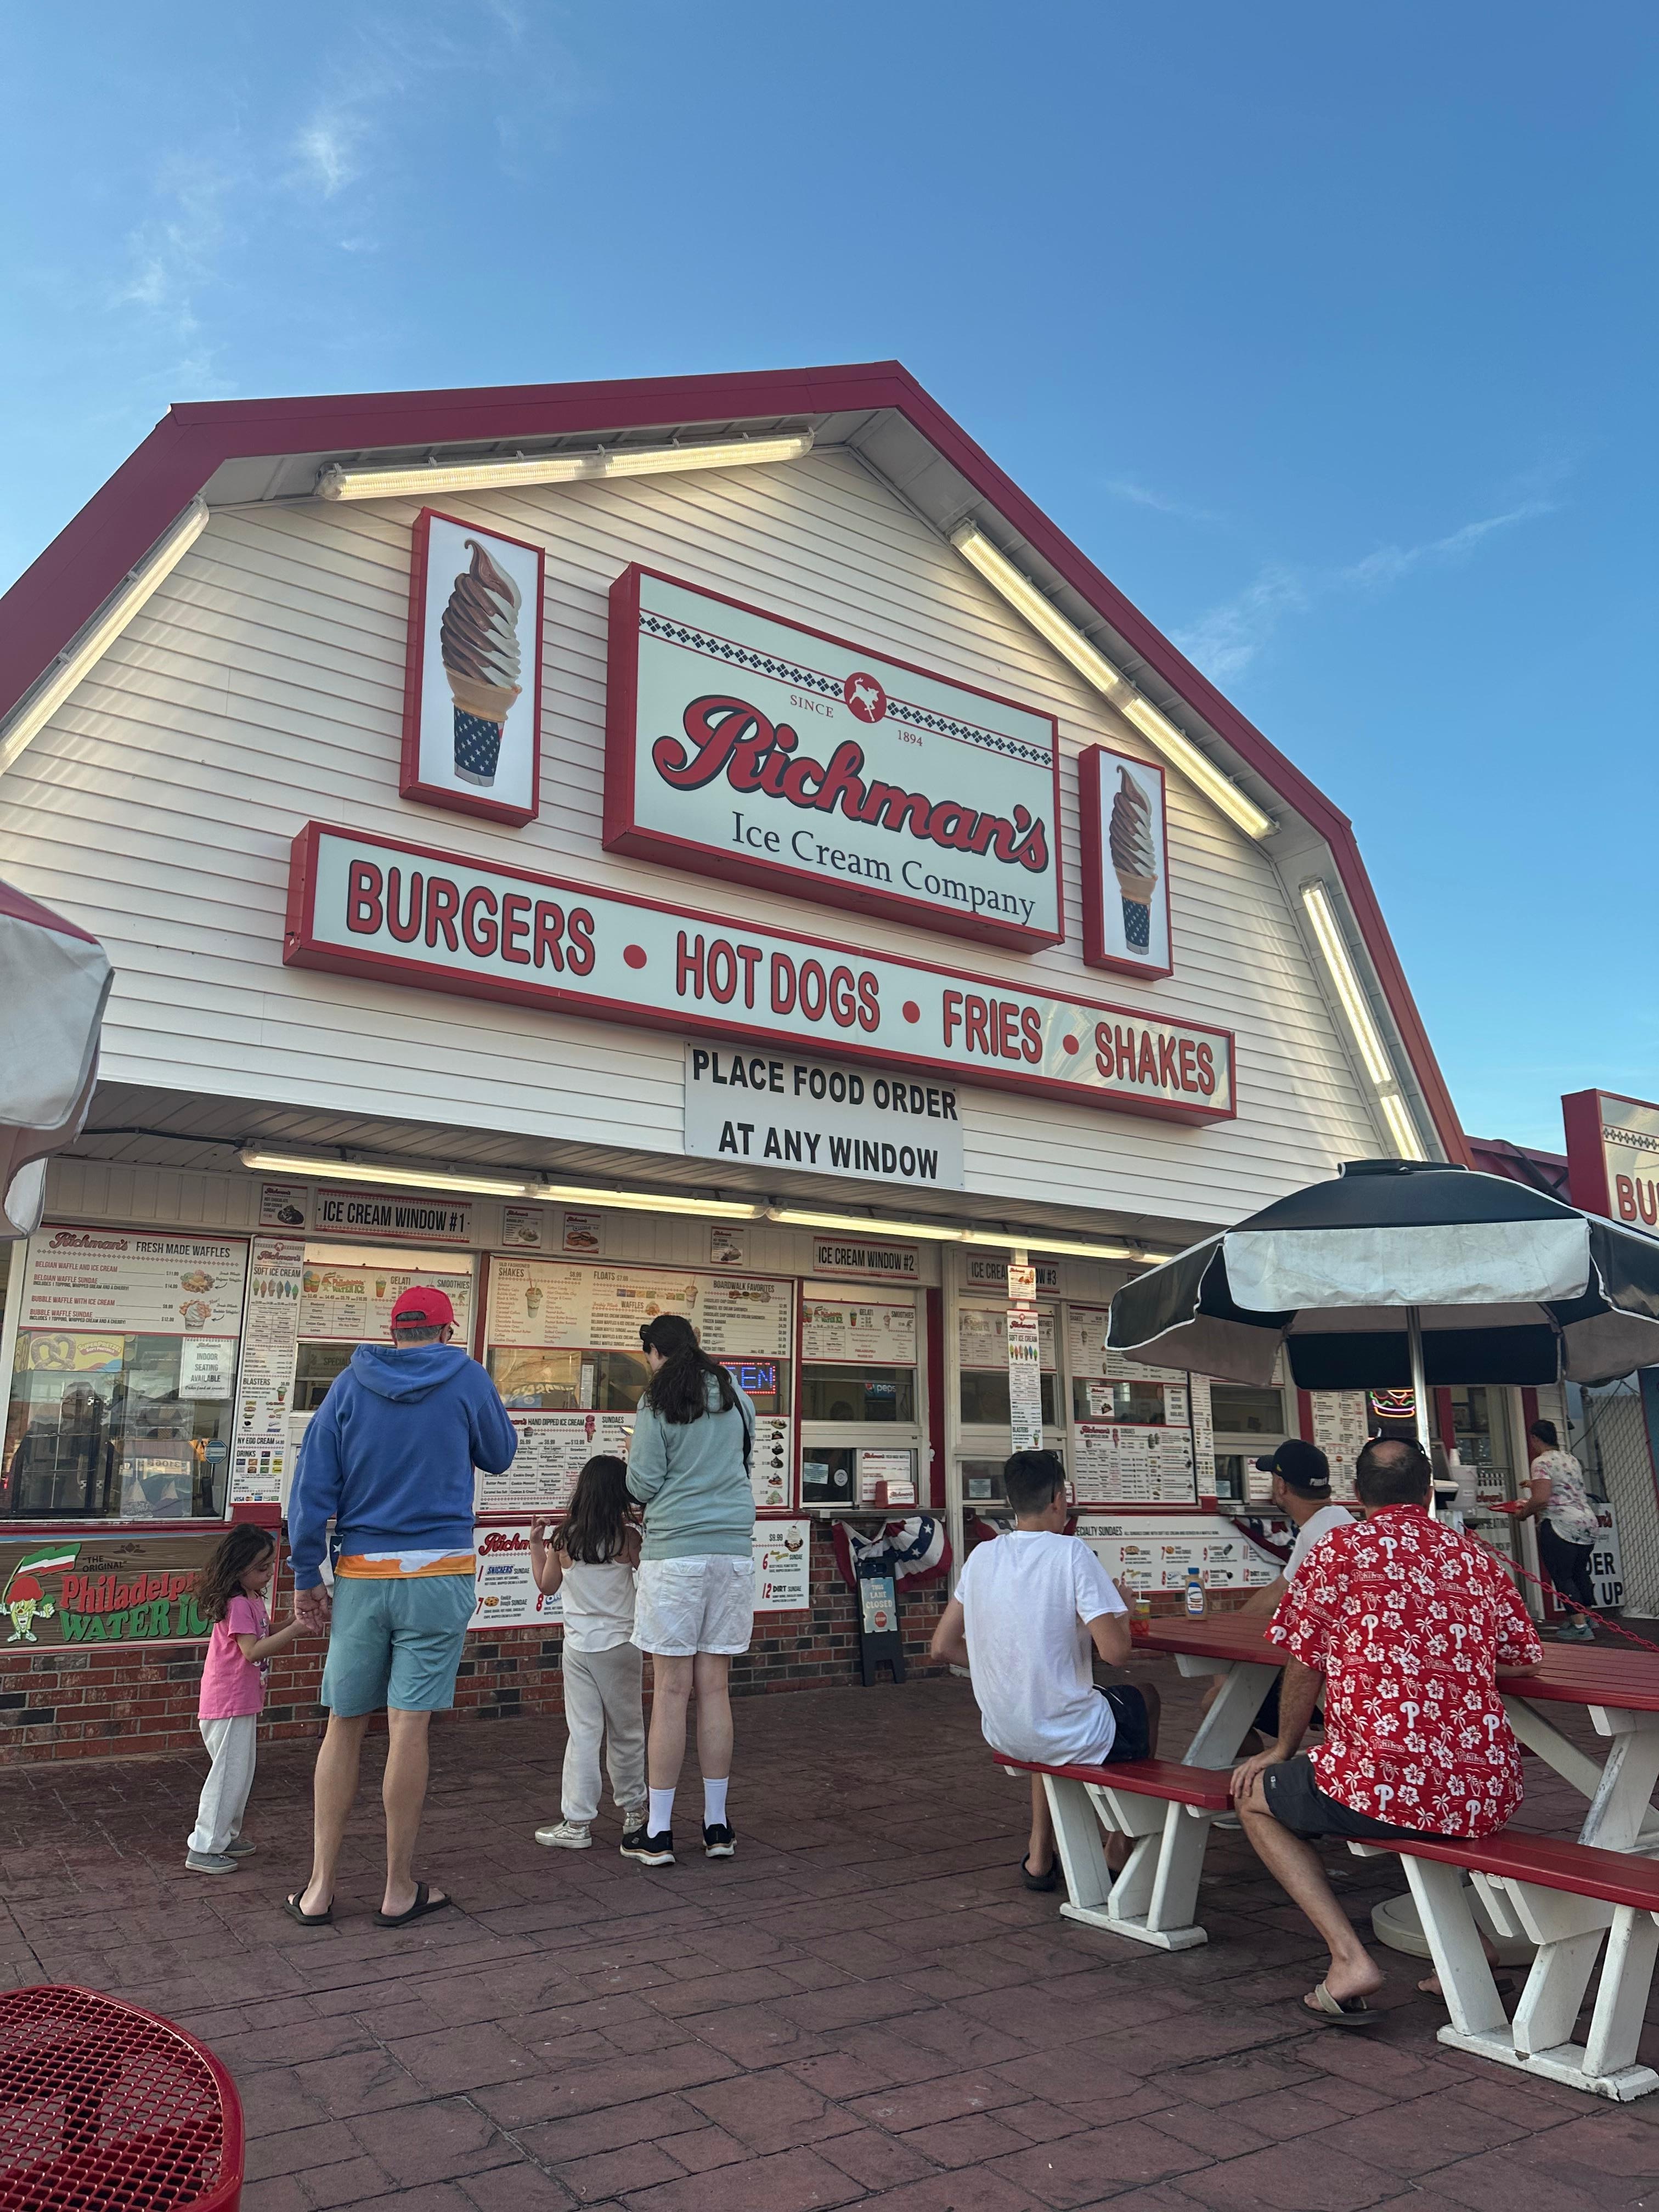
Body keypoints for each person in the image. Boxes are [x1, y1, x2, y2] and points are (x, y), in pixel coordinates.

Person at [1231, 1436, 1542, 2027]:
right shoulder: (1471, 1555)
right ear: (1428, 1493)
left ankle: (1349, 1960)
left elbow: (1303, 1661)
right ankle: (1471, 1948)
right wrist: (1450, 1650)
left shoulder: (1341, 1549)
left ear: (1356, 1494)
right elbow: (1524, 1657)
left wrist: (1282, 1748)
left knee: (1254, 1796)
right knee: (1422, 1795)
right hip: (1487, 1788)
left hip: (1384, 1782)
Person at [284, 1284, 517, 1927]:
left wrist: (308, 1573)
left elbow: (311, 1487)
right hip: (439, 1572)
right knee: (408, 1727)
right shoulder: (466, 1377)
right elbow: (500, 1456)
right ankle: (396, 1887)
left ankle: (320, 1889)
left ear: (394, 1332)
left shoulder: (349, 1386)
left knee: (345, 1722)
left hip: (361, 1573)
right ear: (446, 1331)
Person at [930, 1449, 1158, 1892]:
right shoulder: (1071, 1552)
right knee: (1146, 1697)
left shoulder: (982, 1556)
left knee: (1047, 1710)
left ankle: (1040, 1852)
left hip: (1003, 1729)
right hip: (1060, 1727)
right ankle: (1119, 1841)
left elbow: (942, 1647)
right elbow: (1117, 1655)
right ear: (1058, 1499)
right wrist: (1124, 1612)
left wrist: (1013, 1667)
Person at [623, 1314, 757, 1867]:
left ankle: (657, 1833)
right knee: (716, 1690)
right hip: (732, 1553)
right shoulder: (736, 1396)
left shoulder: (655, 1403)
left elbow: (643, 1485)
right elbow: (743, 1465)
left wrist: (633, 1455)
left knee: (671, 1693)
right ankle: (718, 1825)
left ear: (655, 1352)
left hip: (675, 1554)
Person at [528, 1454, 648, 1849]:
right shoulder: (628, 1538)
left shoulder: (565, 1539)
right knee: (627, 1732)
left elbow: (546, 1587)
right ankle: (634, 1814)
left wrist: (535, 1545)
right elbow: (647, 1581)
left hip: (577, 1646)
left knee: (582, 1734)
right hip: (621, 1646)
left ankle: (577, 1823)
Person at [185, 1523, 304, 1874]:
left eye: (270, 1566)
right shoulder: (238, 1604)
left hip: (241, 1700)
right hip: (229, 1702)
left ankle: (223, 1837)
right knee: (227, 1776)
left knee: (240, 1773)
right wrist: (297, 1629)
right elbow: (252, 1652)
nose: (269, 1574)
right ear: (239, 1569)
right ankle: (204, 1846)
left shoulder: (251, 1600)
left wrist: (293, 1621)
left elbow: (260, 1636)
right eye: (262, 1568)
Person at [1228, 1440, 1354, 1746]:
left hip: (1330, 1681)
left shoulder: (1317, 1533)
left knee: (1223, 1699)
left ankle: (1251, 1778)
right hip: (1347, 1672)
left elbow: (1279, 1595)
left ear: (1282, 1486)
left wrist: (1232, 1626)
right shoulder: (1340, 1521)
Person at [1502, 1419, 1600, 1641]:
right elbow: (1563, 1485)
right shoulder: (1570, 1459)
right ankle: (1588, 1617)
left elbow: (1541, 1499)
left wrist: (1523, 1513)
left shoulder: (1541, 1462)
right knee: (1579, 1571)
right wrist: (1532, 1484)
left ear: (1535, 1438)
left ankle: (1579, 1627)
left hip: (1560, 1523)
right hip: (1586, 1521)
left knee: (1562, 1574)